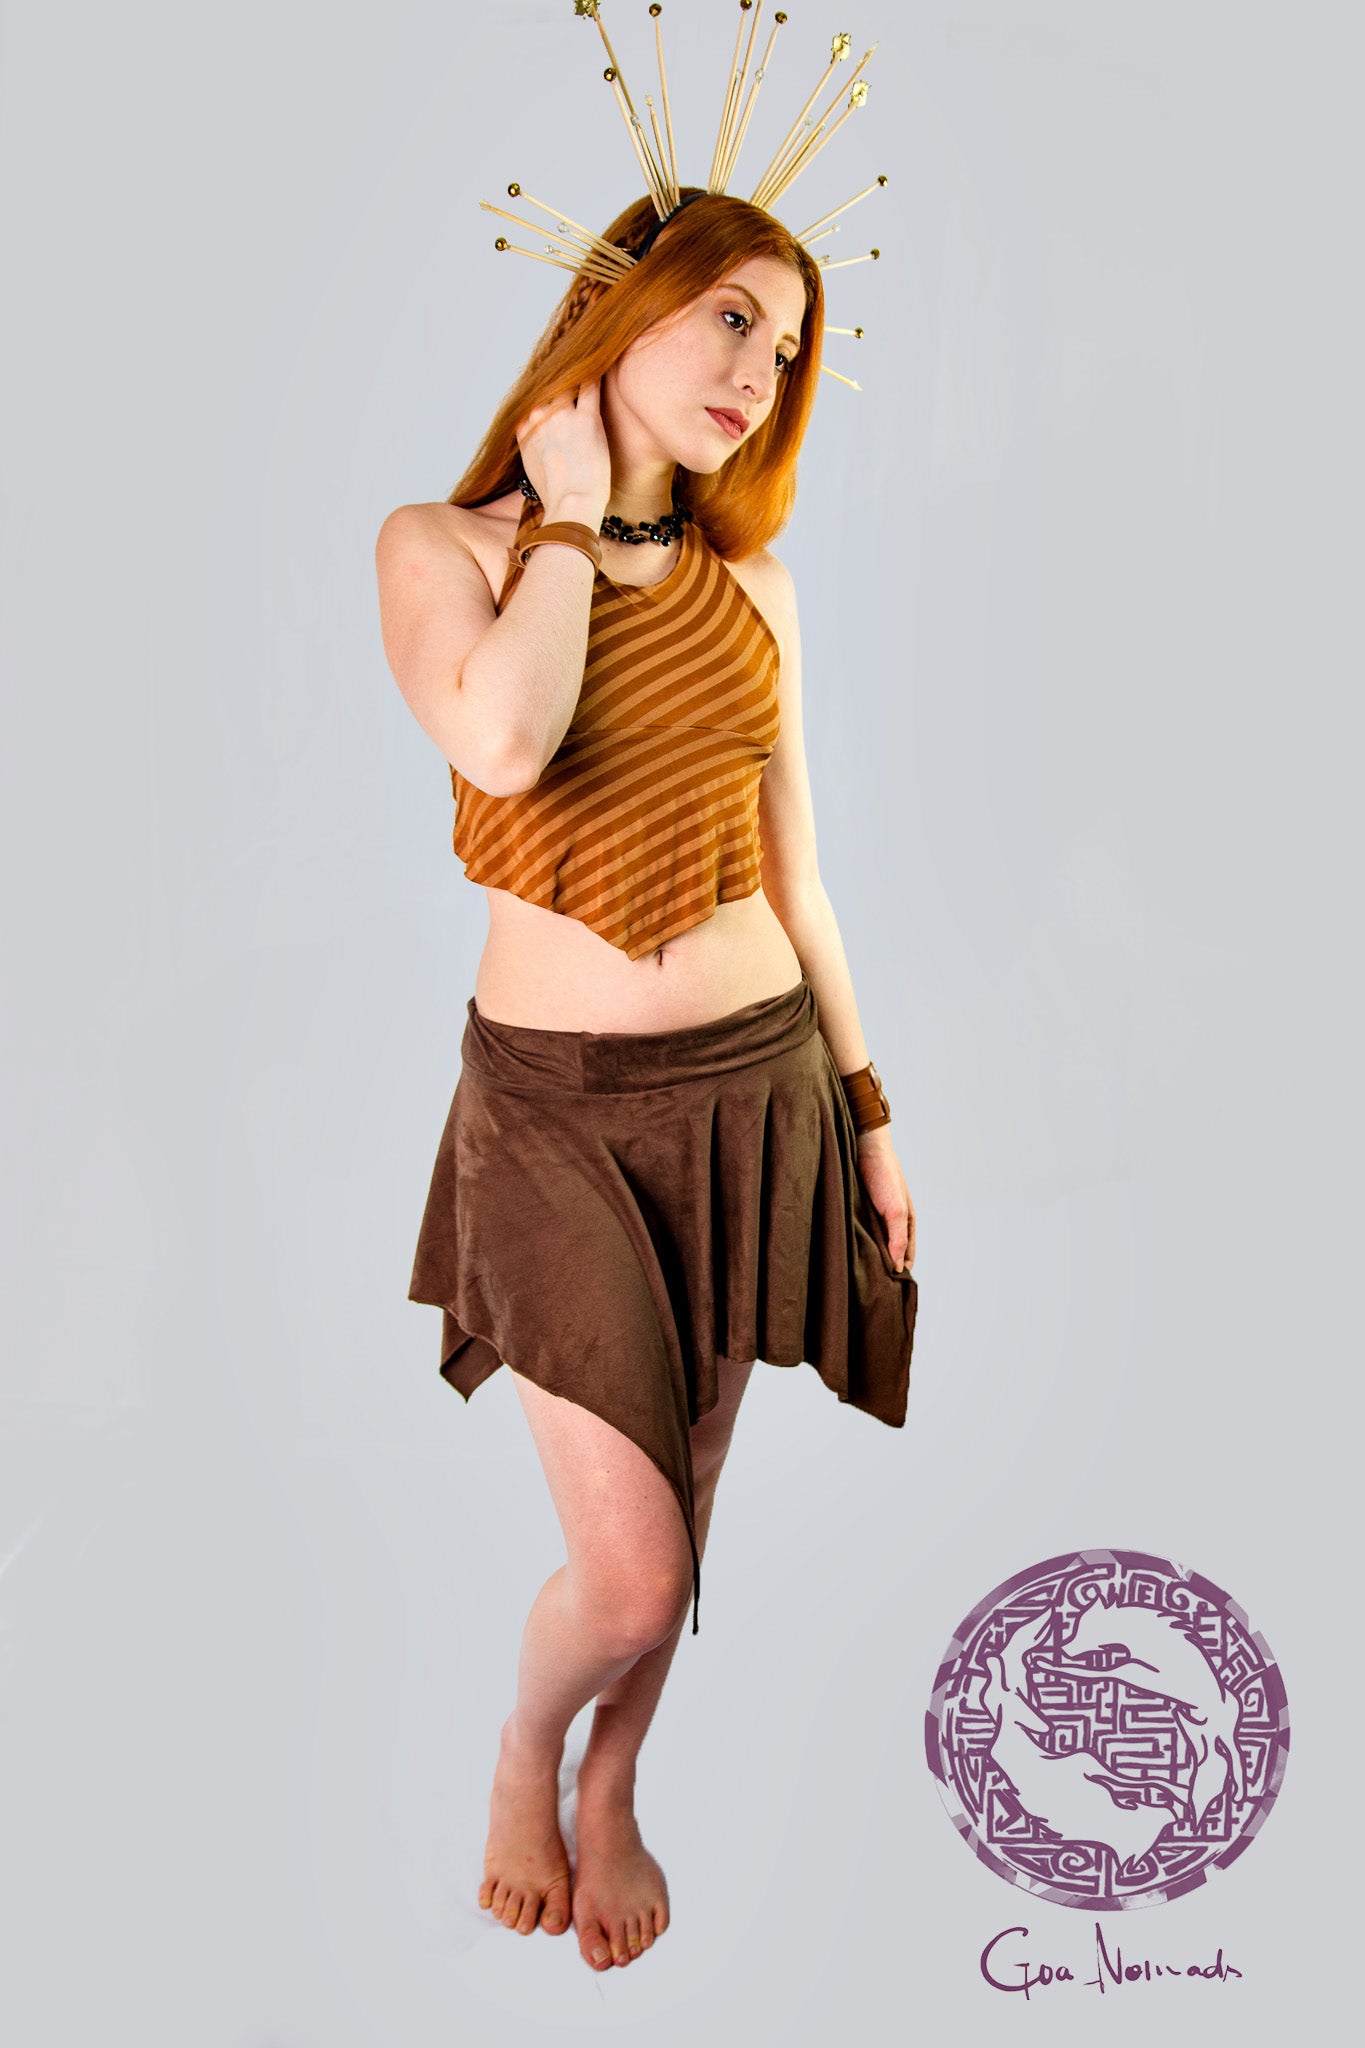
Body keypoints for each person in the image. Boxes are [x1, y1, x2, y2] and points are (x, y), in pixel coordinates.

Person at [374, 185, 918, 1976]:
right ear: (625, 310)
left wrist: (870, 1116)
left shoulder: (749, 589)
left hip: (756, 1093)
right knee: (630, 1574)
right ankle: (524, 1756)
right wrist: (569, 517)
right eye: (732, 318)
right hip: (552, 1117)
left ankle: (612, 1788)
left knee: (682, 1512)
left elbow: (798, 880)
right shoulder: (443, 549)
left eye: (788, 343)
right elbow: (506, 737)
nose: (762, 371)